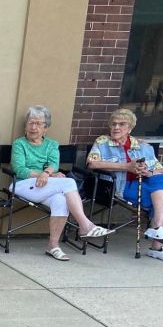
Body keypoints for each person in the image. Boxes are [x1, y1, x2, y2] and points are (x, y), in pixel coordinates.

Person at [10, 105, 111, 260]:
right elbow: (20, 169)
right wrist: (45, 175)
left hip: (44, 186)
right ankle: (85, 225)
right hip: (22, 184)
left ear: (46, 128)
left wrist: (47, 174)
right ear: (26, 125)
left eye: (38, 123)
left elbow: (54, 164)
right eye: (31, 123)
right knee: (68, 182)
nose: (33, 127)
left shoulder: (51, 144)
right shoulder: (19, 144)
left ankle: (53, 245)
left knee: (61, 200)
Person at [87, 108, 163, 262]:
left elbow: (159, 169)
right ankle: (158, 246)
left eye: (121, 124)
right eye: (113, 124)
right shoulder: (102, 142)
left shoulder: (143, 146)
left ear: (130, 128)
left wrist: (147, 172)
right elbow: (92, 163)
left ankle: (157, 230)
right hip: (122, 186)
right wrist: (127, 167)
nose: (116, 127)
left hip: (145, 183)